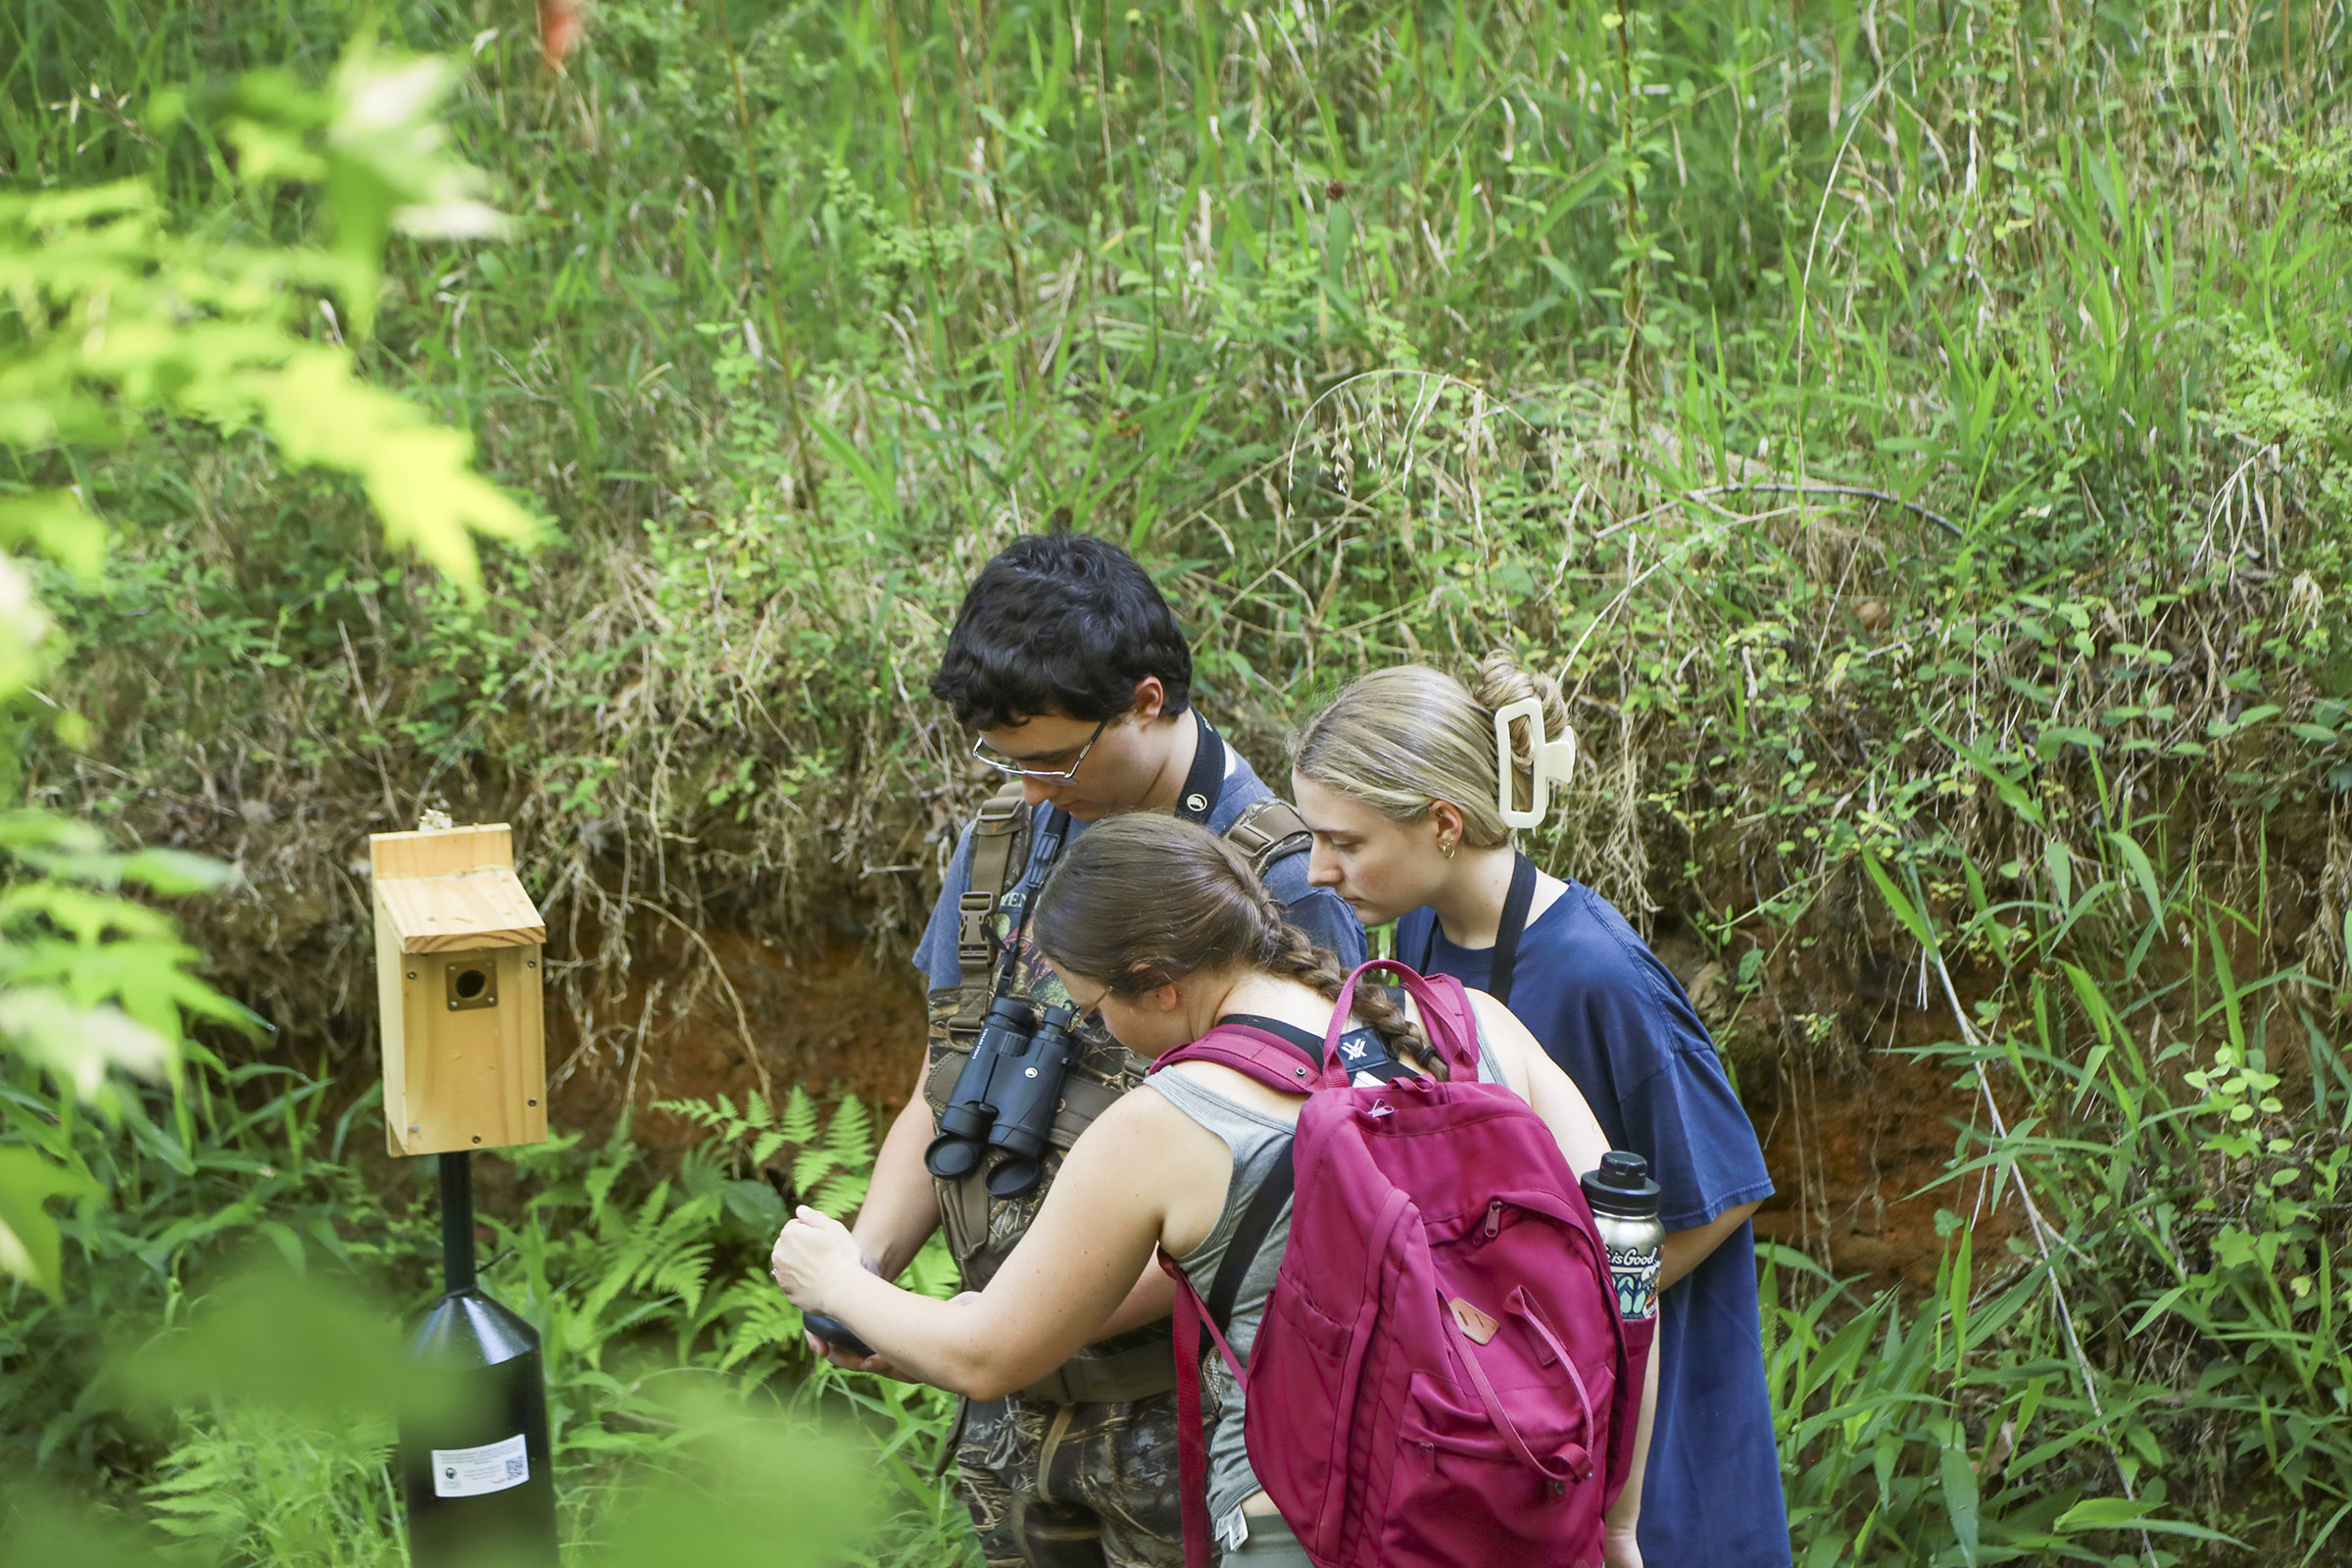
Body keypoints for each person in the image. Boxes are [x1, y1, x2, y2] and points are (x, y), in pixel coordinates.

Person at [772, 815, 1648, 1567]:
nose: (1101, 1028)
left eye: (1094, 1004)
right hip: (1530, 1498)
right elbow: (1628, 1271)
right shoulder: (1470, 1023)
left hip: (1304, 1525)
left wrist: (835, 1280)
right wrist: (1618, 1521)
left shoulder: (1169, 1120)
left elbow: (987, 1354)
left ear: (1158, 981)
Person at [841, 530, 1365, 1568]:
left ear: (1148, 698)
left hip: (1186, 1406)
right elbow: (940, 1082)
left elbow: (1282, 1187)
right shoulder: (1006, 834)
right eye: (1008, 759)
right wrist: (864, 1276)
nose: (1033, 787)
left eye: (1055, 756)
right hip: (1007, 1401)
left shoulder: (1281, 877)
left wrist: (1011, 1323)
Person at [1288, 656, 1790, 1568]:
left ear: (1445, 824)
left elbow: (1722, 1195)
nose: (1319, 871)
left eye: (1345, 842)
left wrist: (1562, 1315)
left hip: (1655, 1429)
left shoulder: (1601, 974)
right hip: (1533, 1418)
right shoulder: (1427, 931)